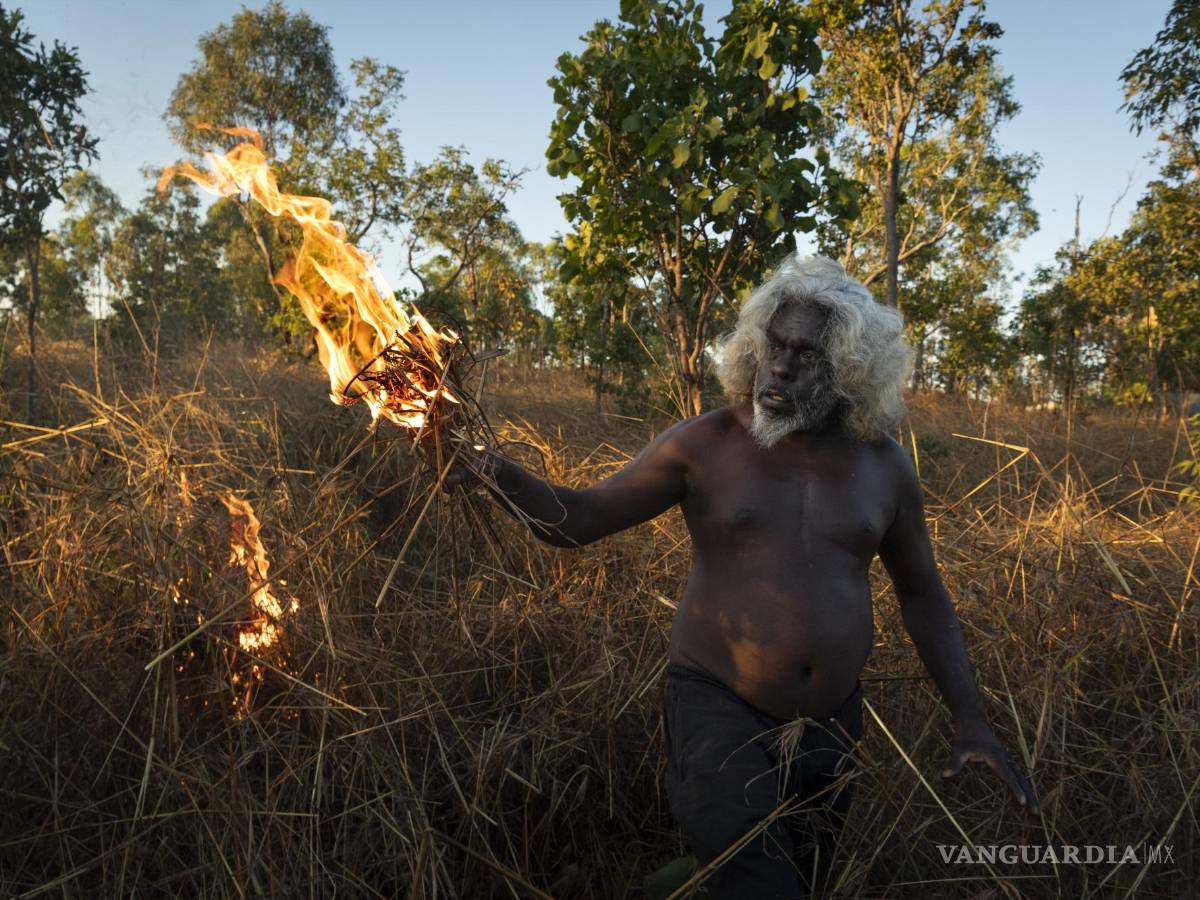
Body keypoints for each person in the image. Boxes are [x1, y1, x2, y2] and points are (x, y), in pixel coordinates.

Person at [442, 254, 1038, 898]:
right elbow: (577, 519)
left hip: (831, 726)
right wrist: (491, 470)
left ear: (850, 370)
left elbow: (922, 594)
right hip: (717, 707)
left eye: (807, 354)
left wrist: (970, 717)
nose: (779, 366)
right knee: (763, 884)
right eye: (774, 345)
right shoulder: (704, 445)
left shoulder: (883, 466)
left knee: (802, 879)